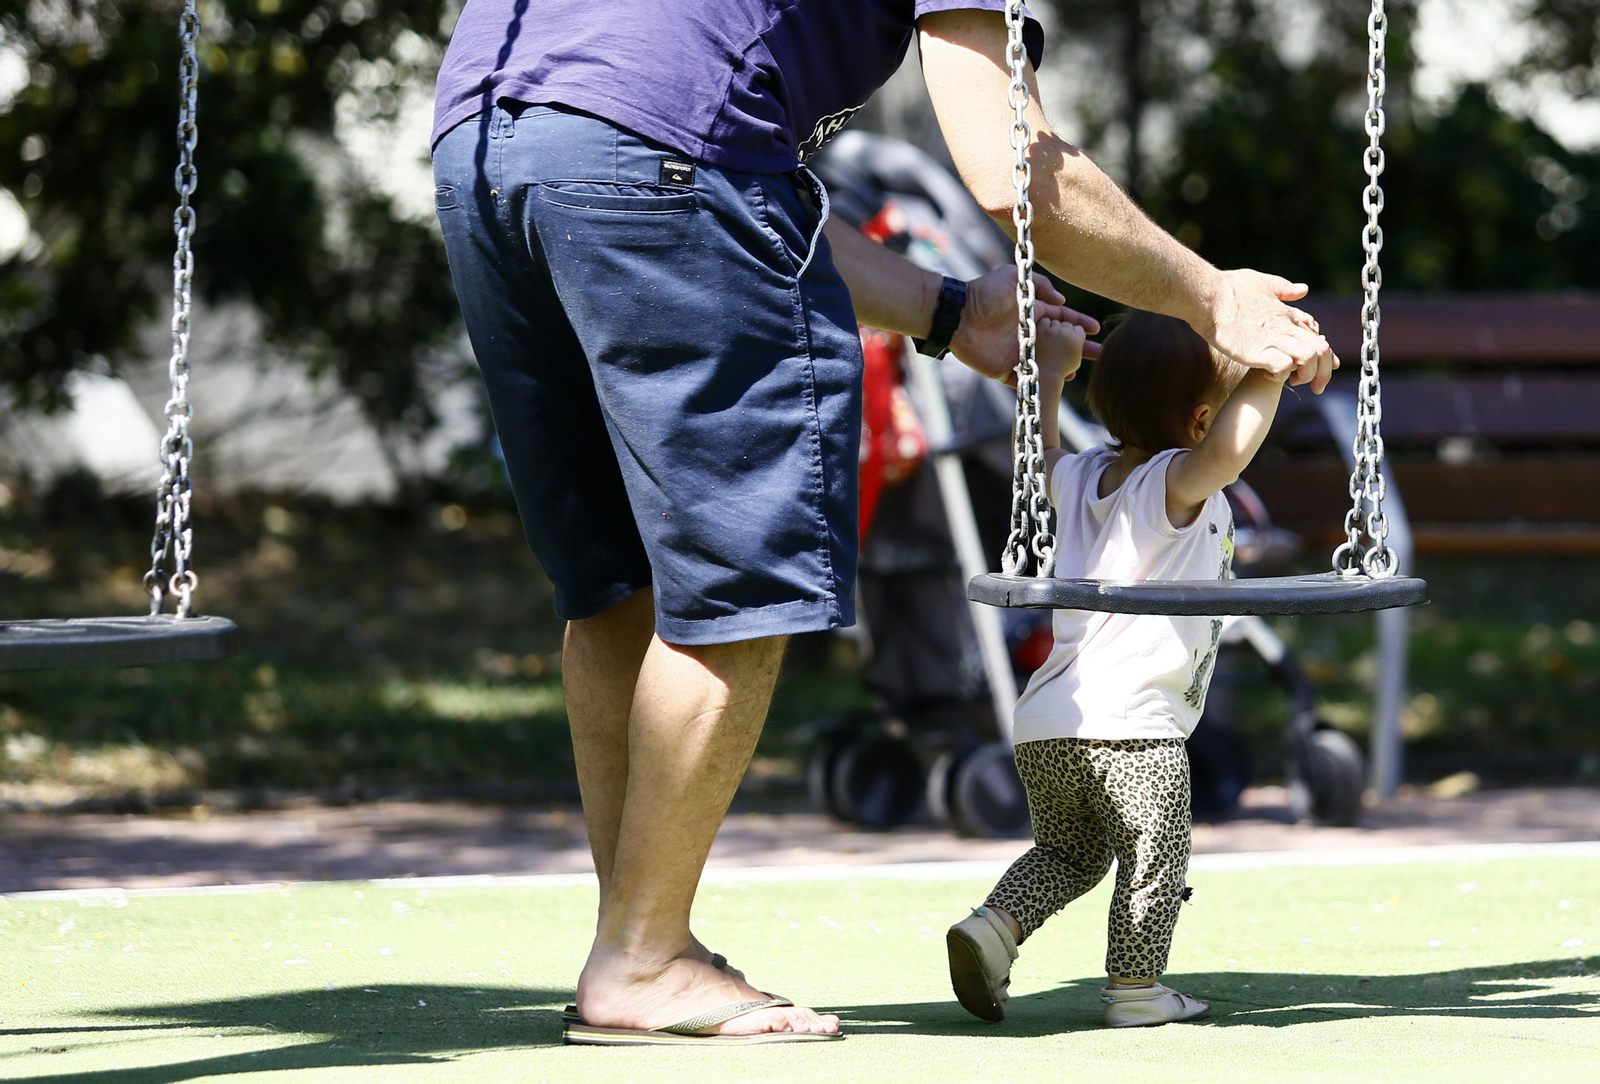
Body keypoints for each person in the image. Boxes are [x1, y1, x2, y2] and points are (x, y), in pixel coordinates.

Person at [430, 1, 1335, 1044]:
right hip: (660, 163)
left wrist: (948, 309)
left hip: (487, 149)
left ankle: (631, 941)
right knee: (735, 586)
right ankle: (642, 955)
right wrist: (1206, 294)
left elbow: (732, 192)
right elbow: (1014, 172)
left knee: (614, 582)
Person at [946, 310, 1289, 1028]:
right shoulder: (1174, 483)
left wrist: (1048, 372)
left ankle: (994, 927)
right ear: (1200, 420)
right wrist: (1273, 370)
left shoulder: (1075, 477)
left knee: (1069, 854)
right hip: (1134, 726)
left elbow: (1031, 450)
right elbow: (1230, 456)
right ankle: (1136, 989)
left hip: (1048, 720)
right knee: (1153, 858)